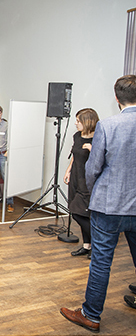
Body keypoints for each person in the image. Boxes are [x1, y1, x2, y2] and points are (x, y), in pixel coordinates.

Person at [60, 75, 136, 333]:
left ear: (116, 98)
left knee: (101, 262)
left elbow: (93, 168)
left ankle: (91, 315)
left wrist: (94, 192)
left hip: (108, 206)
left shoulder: (108, 126)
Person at [63, 108, 99, 259]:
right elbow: (74, 155)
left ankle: (97, 245)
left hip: (87, 180)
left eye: (78, 121)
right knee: (77, 211)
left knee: (78, 212)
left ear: (87, 122)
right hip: (76, 177)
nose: (76, 123)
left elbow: (103, 160)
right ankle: (87, 246)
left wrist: (92, 149)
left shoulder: (97, 138)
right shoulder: (77, 136)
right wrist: (68, 170)